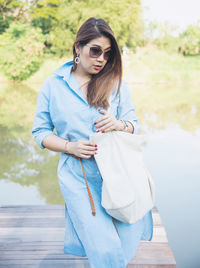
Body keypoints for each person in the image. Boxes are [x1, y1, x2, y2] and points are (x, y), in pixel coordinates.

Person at [32, 17, 153, 268]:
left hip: (118, 173)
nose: (101, 59)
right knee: (104, 247)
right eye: (95, 50)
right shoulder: (53, 86)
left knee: (125, 240)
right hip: (79, 179)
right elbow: (40, 131)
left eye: (107, 54)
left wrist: (119, 125)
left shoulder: (115, 82)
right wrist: (68, 146)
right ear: (78, 47)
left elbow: (133, 122)